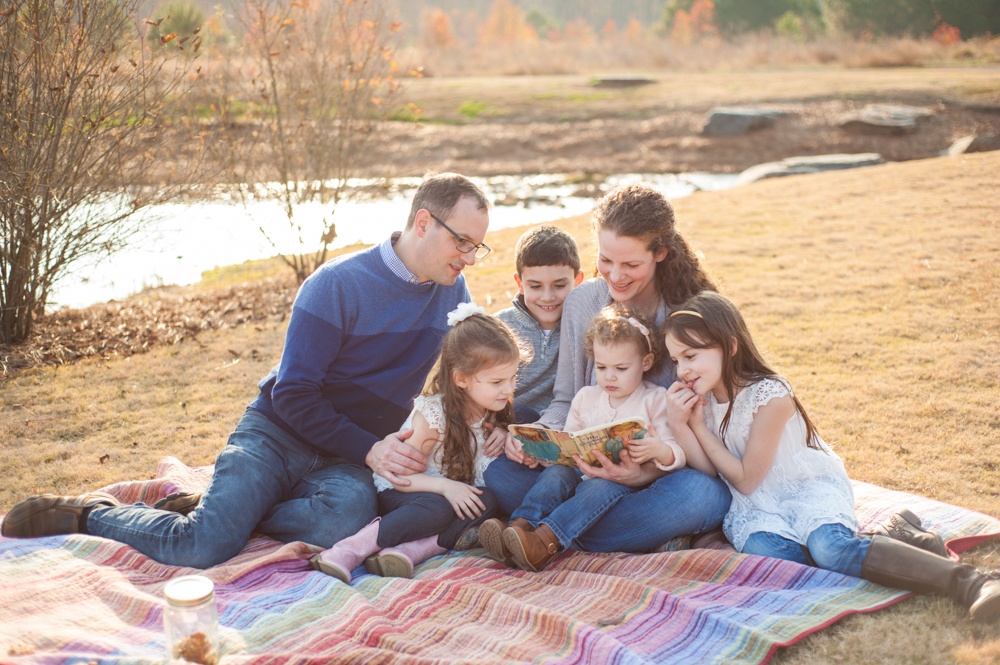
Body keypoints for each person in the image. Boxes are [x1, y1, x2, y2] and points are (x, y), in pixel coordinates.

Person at [1, 173, 502, 569]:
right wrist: (370, 448)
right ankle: (88, 513)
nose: (470, 258)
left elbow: (478, 369)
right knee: (202, 546)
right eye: (462, 242)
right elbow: (294, 396)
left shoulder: (453, 294)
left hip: (346, 460)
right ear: (422, 223)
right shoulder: (335, 285)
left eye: (477, 247)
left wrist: (501, 425)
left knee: (340, 526)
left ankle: (232, 507)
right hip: (278, 435)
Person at [662, 291, 1000, 622]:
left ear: (730, 347)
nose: (682, 371)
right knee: (773, 556)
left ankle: (971, 581)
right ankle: (892, 537)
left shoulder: (770, 395)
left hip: (803, 487)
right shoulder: (703, 399)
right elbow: (713, 472)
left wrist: (701, 432)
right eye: (676, 360)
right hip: (758, 506)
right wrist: (683, 425)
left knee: (830, 549)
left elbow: (747, 479)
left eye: (691, 356)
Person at [485, 182, 733, 559]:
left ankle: (558, 529)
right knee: (500, 468)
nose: (616, 275)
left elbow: (708, 427)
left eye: (631, 264)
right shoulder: (583, 302)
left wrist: (642, 474)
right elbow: (567, 398)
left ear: (661, 253)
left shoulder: (688, 314)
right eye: (605, 260)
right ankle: (593, 529)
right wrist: (541, 438)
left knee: (704, 496)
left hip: (663, 467)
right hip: (585, 468)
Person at [310, 306, 523, 582]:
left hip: (444, 491)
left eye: (513, 377)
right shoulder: (434, 416)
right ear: (461, 379)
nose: (508, 389)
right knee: (439, 508)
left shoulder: (491, 406)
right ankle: (347, 551)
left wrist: (505, 433)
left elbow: (517, 419)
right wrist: (447, 487)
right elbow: (399, 475)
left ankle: (409, 551)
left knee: (485, 500)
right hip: (401, 489)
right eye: (497, 381)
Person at [483, 305, 688, 571]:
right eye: (601, 367)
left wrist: (658, 449)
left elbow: (677, 452)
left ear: (646, 362)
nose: (609, 376)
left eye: (621, 368)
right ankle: (519, 527)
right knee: (556, 474)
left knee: (600, 486)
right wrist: (541, 454)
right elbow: (568, 447)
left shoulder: (655, 399)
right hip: (579, 474)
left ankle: (545, 542)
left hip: (624, 486)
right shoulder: (585, 397)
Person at [494, 224, 584, 422]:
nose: (547, 296)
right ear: (520, 284)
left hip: (560, 425)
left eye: (559, 285)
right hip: (503, 424)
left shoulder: (584, 326)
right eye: (535, 286)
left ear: (578, 281)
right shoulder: (496, 328)